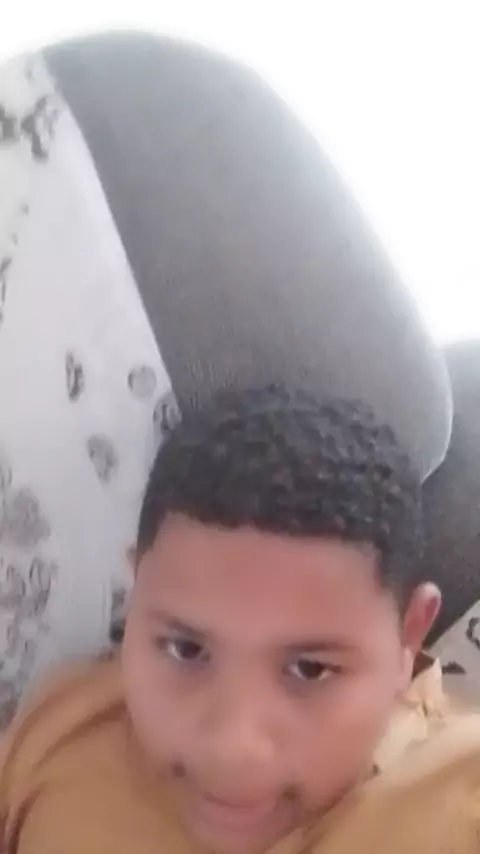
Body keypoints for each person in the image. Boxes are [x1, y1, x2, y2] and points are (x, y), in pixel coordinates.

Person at [1, 384, 479, 854]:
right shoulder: (63, 725)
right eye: (185, 649)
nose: (231, 749)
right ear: (137, 591)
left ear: (409, 636)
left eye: (311, 669)